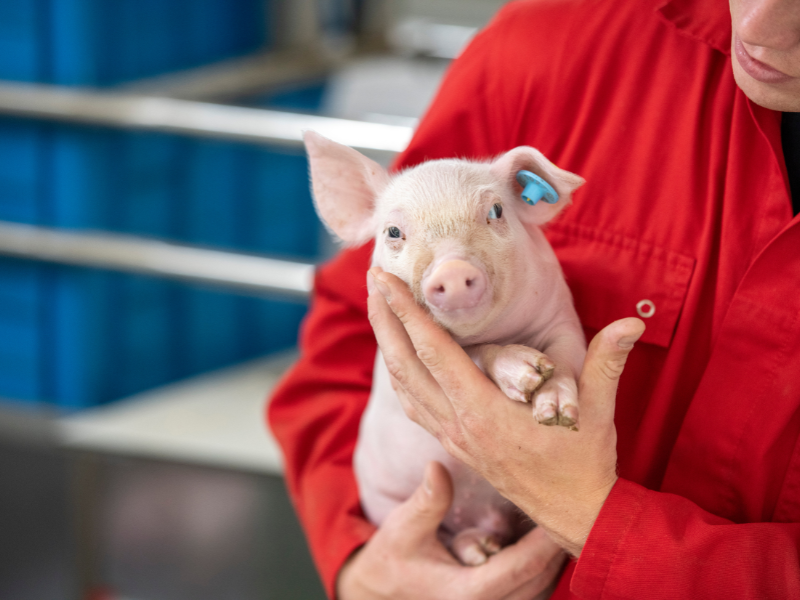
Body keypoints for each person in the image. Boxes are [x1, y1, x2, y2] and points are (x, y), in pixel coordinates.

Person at [268, 0, 800, 597]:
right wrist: (365, 566)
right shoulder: (547, 47)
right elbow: (347, 335)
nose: (757, 27)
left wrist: (595, 524)